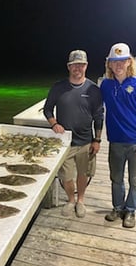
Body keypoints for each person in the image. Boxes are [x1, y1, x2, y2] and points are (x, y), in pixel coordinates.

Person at [100, 43, 136, 228]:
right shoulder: (106, 85)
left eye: (123, 61)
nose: (119, 65)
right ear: (109, 64)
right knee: (116, 178)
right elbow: (92, 105)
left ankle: (130, 210)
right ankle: (118, 207)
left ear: (129, 62)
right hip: (115, 142)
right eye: (115, 61)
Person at [43, 49, 104, 217]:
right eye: (74, 65)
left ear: (86, 66)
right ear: (68, 67)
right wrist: (54, 124)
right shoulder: (58, 87)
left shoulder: (93, 89)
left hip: (86, 141)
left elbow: (99, 115)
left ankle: (81, 201)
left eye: (81, 64)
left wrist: (97, 140)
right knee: (67, 176)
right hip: (65, 143)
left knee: (83, 174)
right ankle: (71, 200)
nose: (78, 68)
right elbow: (47, 109)